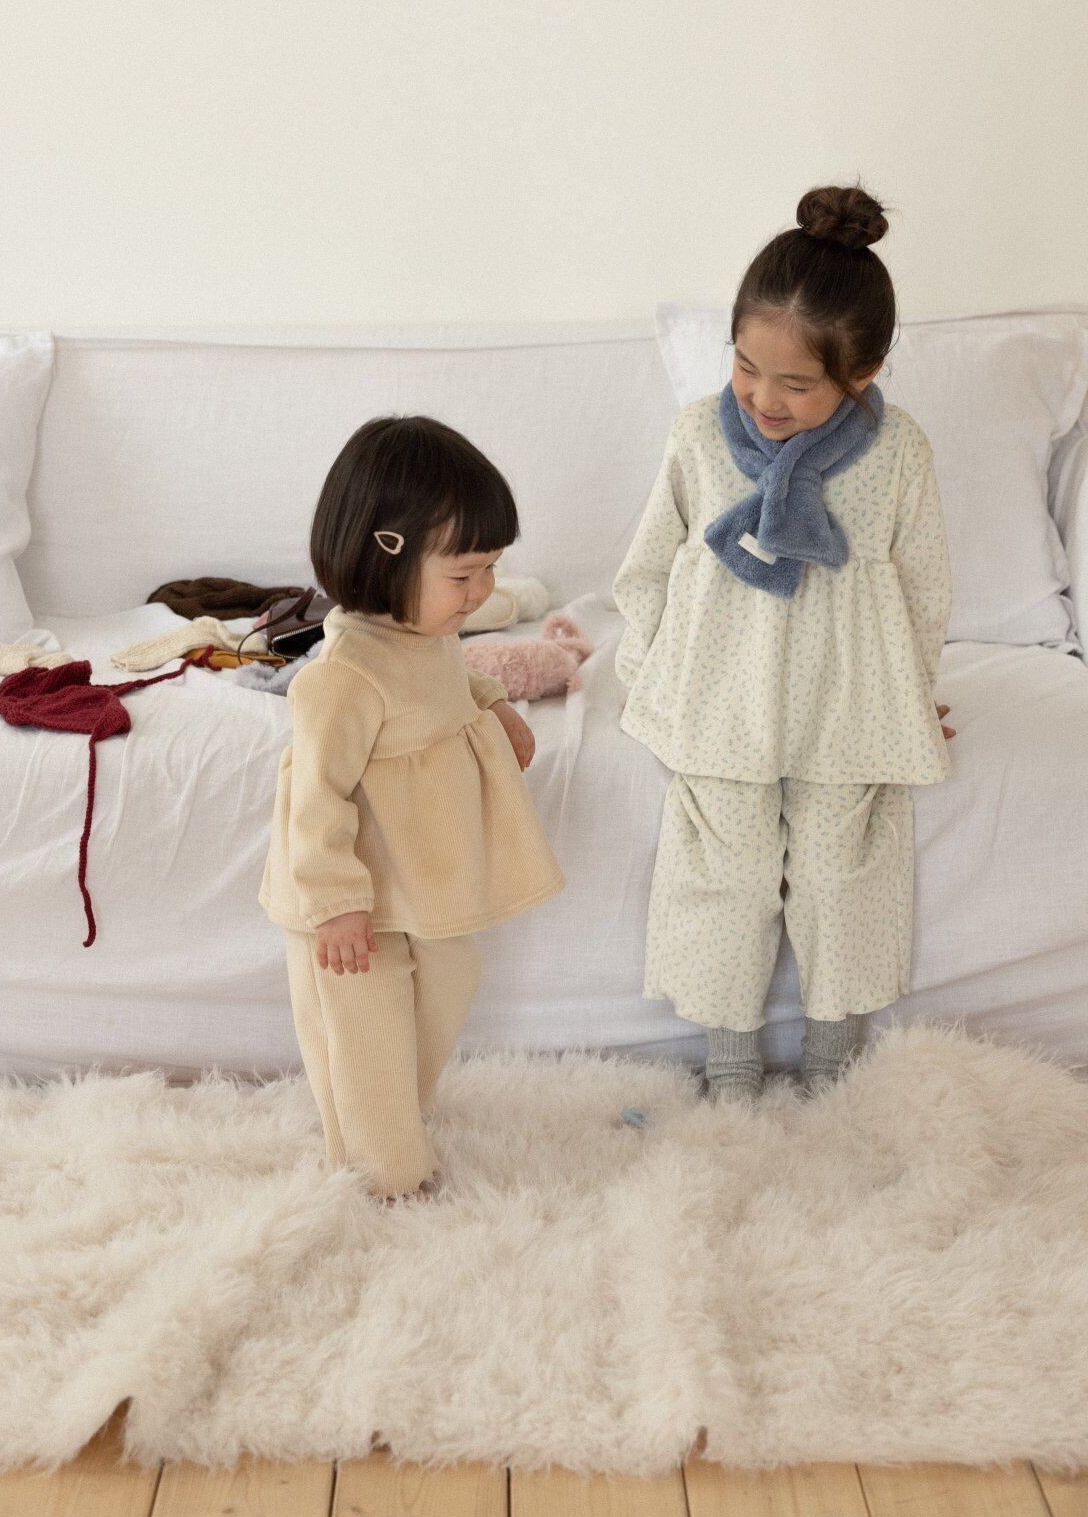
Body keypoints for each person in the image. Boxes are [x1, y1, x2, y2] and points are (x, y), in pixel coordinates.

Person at [613, 182, 956, 1102]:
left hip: (846, 705)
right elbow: (646, 569)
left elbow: (923, 589)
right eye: (745, 367)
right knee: (725, 875)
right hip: (719, 698)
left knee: (845, 874)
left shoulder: (899, 453)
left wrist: (912, 693)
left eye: (797, 384)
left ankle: (834, 1051)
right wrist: (649, 673)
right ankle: (730, 1057)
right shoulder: (698, 437)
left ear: (862, 373)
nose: (764, 397)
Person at [259, 415, 565, 1202]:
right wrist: (334, 903)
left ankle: (398, 1117)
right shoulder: (341, 680)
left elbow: (452, 677)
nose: (482, 592)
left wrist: (495, 705)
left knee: (451, 978)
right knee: (364, 1030)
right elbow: (316, 803)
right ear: (384, 553)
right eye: (464, 575)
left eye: (491, 569)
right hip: (350, 897)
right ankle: (383, 1172)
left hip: (419, 876)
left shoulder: (427, 633)